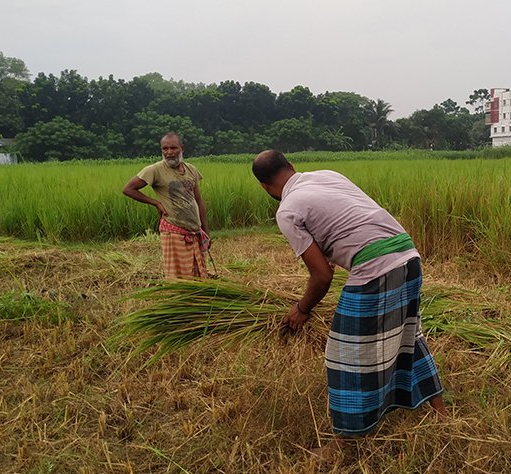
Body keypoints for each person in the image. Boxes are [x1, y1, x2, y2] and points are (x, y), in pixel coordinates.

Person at [251, 149, 446, 445]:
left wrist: (301, 309)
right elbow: (351, 222)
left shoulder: (287, 210)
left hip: (376, 269)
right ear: (291, 166)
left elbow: (322, 277)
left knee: (346, 355)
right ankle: (441, 412)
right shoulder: (328, 175)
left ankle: (347, 438)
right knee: (408, 335)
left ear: (264, 187)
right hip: (408, 255)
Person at [122, 132, 210, 279]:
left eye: (173, 148)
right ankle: (180, 301)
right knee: (179, 278)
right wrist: (155, 203)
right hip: (173, 231)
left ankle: (196, 300)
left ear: (182, 148)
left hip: (194, 231)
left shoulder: (191, 170)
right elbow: (128, 189)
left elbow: (198, 200)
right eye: (165, 149)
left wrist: (205, 230)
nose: (169, 152)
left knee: (197, 276)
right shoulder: (155, 170)